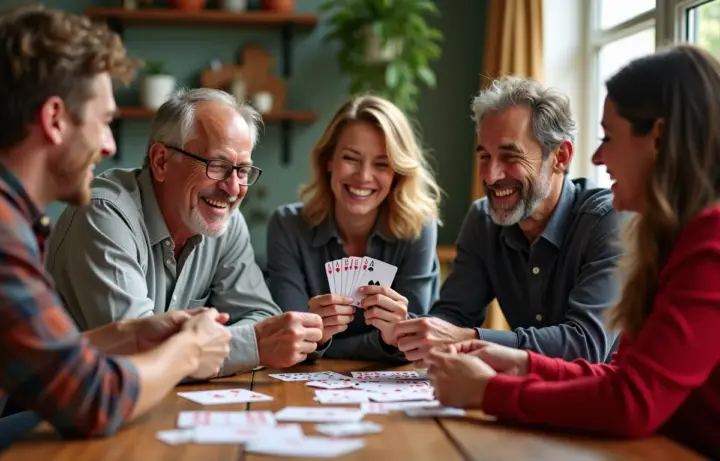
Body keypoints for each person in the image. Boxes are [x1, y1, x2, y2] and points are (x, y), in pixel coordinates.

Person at [0, 5, 232, 457]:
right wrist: (188, 350)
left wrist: (130, 335)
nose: (110, 145)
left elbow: (31, 361)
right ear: (55, 118)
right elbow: (92, 400)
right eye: (103, 121)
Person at [424, 45, 720, 460]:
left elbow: (632, 401)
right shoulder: (674, 238)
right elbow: (624, 376)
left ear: (656, 138)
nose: (598, 156)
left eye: (608, 137)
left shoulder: (712, 241)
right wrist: (524, 364)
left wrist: (489, 391)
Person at [45, 87, 324, 377]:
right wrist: (252, 345)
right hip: (57, 410)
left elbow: (261, 316)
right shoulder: (103, 212)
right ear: (161, 161)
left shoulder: (225, 219)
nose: (233, 188)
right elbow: (138, 356)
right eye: (217, 165)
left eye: (242, 170)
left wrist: (224, 344)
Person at [393, 76, 625, 364]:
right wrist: (405, 327)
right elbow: (453, 317)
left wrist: (473, 340)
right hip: (530, 396)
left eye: (510, 157)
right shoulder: (483, 220)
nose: (490, 176)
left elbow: (586, 345)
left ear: (560, 157)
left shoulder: (609, 221)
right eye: (485, 157)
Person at [266, 95, 443, 362]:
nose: (363, 176)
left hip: (391, 387)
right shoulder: (287, 226)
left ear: (398, 173)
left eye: (382, 164)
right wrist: (385, 343)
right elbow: (291, 342)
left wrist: (321, 341)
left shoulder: (419, 228)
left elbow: (413, 343)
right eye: (351, 158)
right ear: (329, 161)